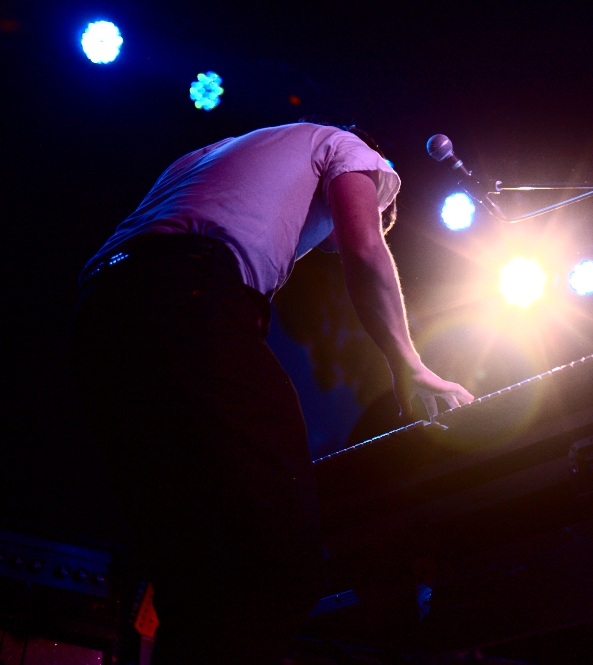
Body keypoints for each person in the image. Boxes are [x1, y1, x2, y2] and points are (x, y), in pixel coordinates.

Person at [68, 121, 474, 665]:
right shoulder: (349, 150)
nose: (320, 251)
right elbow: (364, 248)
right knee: (284, 560)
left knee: (193, 571)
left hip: (98, 314)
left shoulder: (212, 153)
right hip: (186, 297)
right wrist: (410, 366)